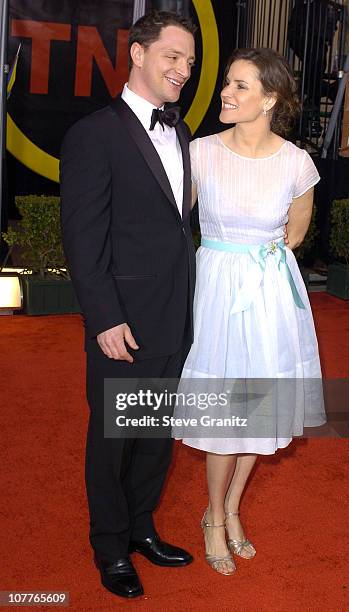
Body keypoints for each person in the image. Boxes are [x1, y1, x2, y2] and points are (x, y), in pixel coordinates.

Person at [173, 48, 326, 576]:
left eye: (240, 86)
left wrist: (260, 268)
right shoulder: (200, 153)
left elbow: (296, 235)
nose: (226, 93)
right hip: (215, 293)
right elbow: (174, 223)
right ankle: (213, 516)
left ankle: (231, 508)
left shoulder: (297, 163)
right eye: (227, 84)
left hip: (267, 297)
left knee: (257, 411)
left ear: (270, 99)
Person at [60, 11, 196, 599]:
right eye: (171, 56)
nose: (182, 70)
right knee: (114, 438)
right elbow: (83, 237)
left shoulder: (182, 132)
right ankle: (110, 546)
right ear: (137, 54)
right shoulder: (94, 134)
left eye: (189, 61)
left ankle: (142, 527)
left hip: (175, 315)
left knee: (155, 434)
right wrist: (104, 316)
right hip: (124, 321)